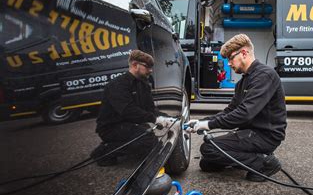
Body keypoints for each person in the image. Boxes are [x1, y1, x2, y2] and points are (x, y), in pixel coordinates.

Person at [187, 34, 287, 182]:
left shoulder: (265, 76)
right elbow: (231, 110)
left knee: (209, 149)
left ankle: (264, 163)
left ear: (244, 53)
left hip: (265, 135)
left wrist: (208, 125)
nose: (228, 64)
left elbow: (244, 114)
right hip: (249, 132)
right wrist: (201, 122)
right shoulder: (243, 82)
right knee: (207, 163)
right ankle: (250, 158)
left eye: (230, 58)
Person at [92, 50, 174, 165]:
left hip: (130, 123)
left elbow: (149, 109)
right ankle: (105, 151)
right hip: (111, 127)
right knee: (147, 142)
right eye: (147, 67)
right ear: (135, 65)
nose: (150, 70)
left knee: (153, 144)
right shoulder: (117, 85)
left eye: (151, 67)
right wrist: (155, 119)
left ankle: (126, 146)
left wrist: (168, 118)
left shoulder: (143, 84)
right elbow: (127, 111)